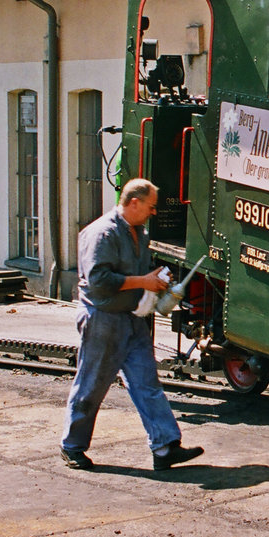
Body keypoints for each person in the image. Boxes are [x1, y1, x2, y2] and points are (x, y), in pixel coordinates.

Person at [60, 178, 204, 471]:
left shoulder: (139, 232)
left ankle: (164, 447)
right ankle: (72, 446)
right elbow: (99, 281)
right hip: (102, 319)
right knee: (91, 384)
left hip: (132, 318)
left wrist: (157, 279)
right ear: (134, 202)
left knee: (146, 382)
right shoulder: (101, 233)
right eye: (151, 206)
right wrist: (144, 281)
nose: (154, 212)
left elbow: (138, 273)